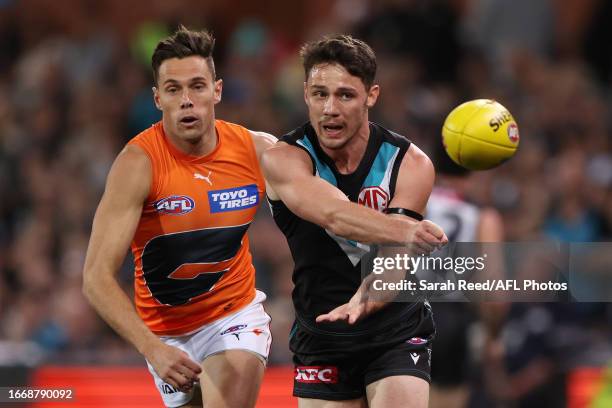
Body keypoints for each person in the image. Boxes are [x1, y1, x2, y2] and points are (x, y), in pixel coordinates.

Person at [82, 26, 276, 408]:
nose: (187, 100)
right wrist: (152, 348)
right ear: (157, 98)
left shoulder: (259, 150)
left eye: (198, 86)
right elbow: (95, 278)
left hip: (232, 314)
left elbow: (322, 210)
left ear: (217, 90)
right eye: (173, 90)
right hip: (164, 335)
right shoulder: (138, 164)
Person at [261, 34, 448, 408]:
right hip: (323, 331)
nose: (330, 108)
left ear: (371, 96)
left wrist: (371, 293)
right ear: (305, 95)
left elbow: (396, 257)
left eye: (345, 95)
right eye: (319, 94)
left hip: (396, 326)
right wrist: (409, 232)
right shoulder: (284, 159)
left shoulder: (409, 162)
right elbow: (334, 214)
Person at [424, 144, 507, 408]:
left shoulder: (416, 202)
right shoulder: (482, 216)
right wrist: (493, 336)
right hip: (452, 320)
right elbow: (493, 293)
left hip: (406, 315)